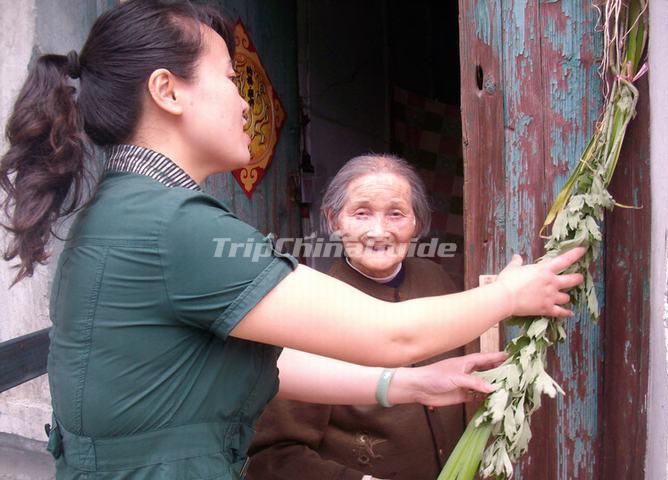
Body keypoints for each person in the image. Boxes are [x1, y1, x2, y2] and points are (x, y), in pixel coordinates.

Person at [0, 1, 585, 479]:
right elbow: (392, 332)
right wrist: (511, 293)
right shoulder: (173, 226)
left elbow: (250, 367)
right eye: (230, 79)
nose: (244, 100)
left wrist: (406, 385)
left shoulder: (123, 208)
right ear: (168, 91)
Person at [247, 154, 470, 480]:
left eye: (396, 214)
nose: (378, 231)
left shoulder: (437, 281)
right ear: (334, 220)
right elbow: (272, 457)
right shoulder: (310, 311)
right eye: (361, 213)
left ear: (417, 223)